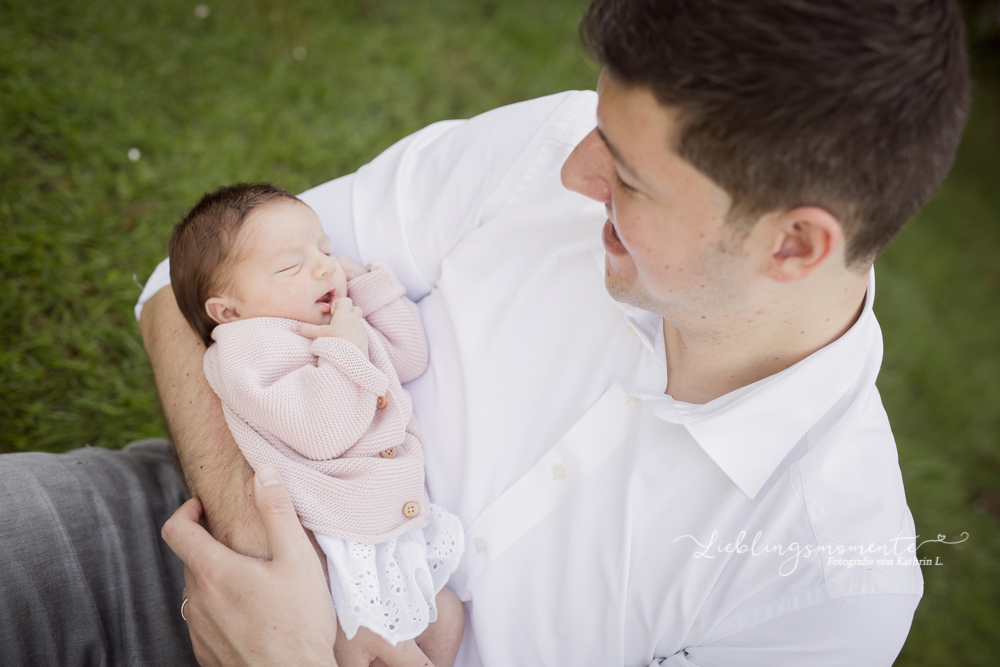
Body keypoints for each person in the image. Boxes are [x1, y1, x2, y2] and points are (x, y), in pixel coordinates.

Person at [0, 0, 968, 665]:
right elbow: (182, 288)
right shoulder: (545, 151)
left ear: (794, 245)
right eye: (599, 128)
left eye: (627, 175)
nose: (575, 170)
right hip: (169, 534)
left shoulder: (833, 579)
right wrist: (261, 550)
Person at [166, 182, 465, 666]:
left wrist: (365, 286)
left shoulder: (331, 320)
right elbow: (322, 432)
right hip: (333, 538)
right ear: (228, 310)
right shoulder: (245, 351)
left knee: (447, 620)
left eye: (324, 249)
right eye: (291, 265)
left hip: (387, 523)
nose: (325, 265)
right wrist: (345, 345)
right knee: (382, 648)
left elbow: (408, 358)